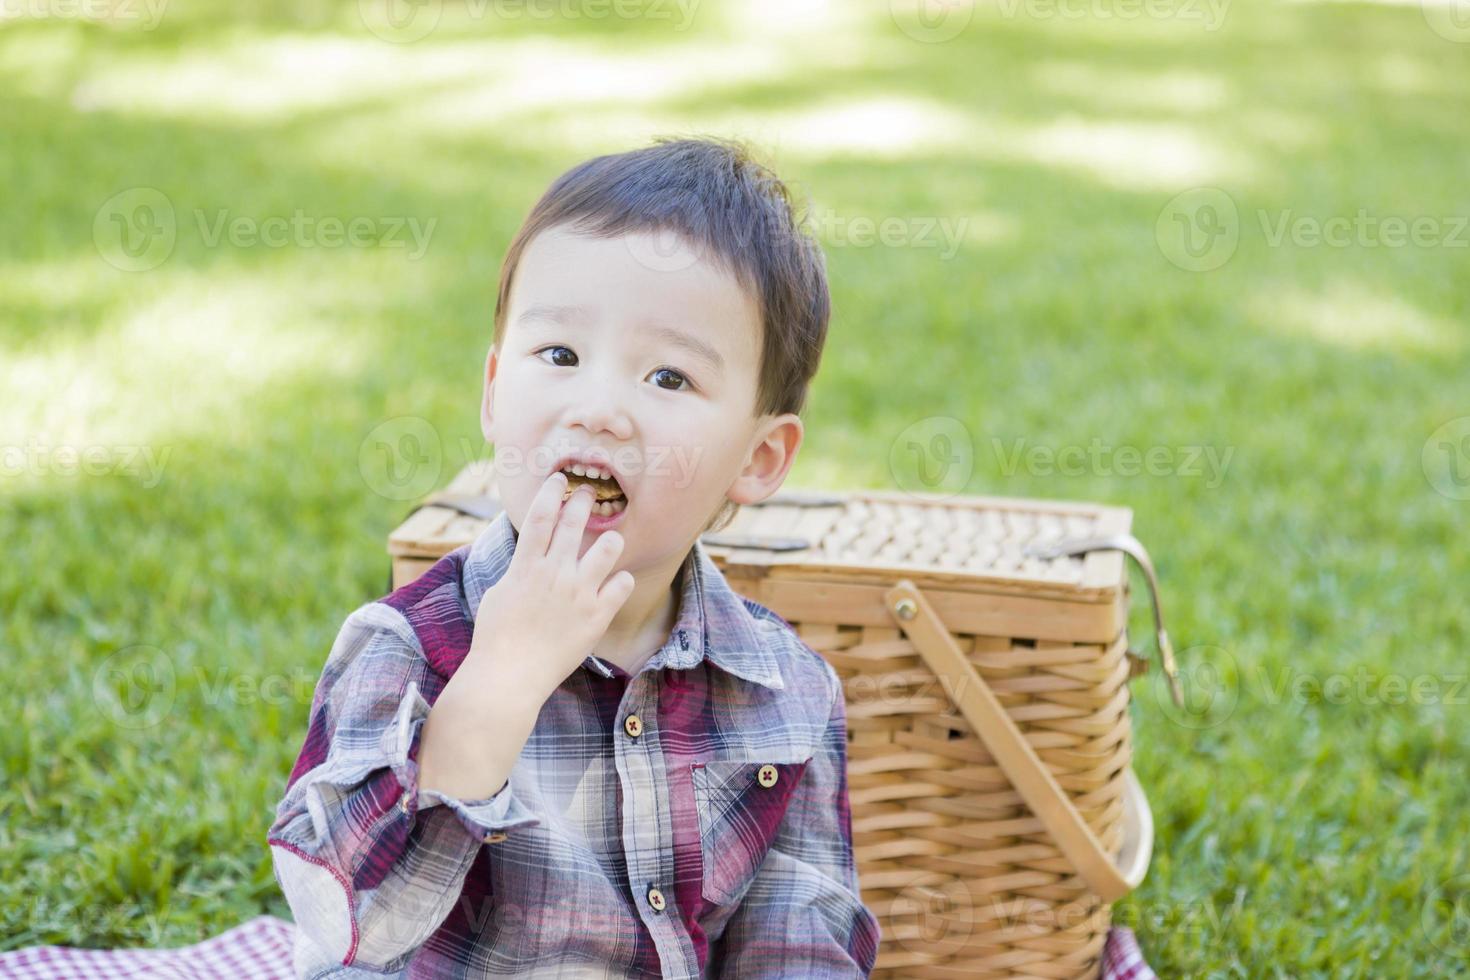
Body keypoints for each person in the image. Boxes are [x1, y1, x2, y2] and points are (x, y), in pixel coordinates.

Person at [266, 135, 881, 978]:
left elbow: (799, 938)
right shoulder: (406, 649)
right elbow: (349, 925)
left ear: (759, 459)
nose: (598, 409)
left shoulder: (786, 691)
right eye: (559, 356)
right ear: (492, 391)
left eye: (668, 378)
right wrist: (498, 683)